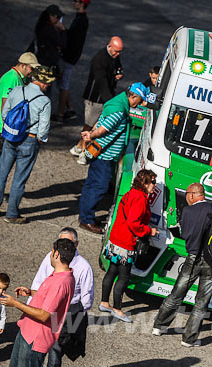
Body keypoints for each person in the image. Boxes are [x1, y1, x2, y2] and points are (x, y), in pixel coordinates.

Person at [152, 183, 212, 347]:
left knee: (176, 294)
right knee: (201, 302)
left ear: (192, 195)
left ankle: (159, 326)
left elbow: (184, 234)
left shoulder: (187, 211)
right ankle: (188, 339)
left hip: (193, 258)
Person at [78, 83, 148, 234]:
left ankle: (86, 216)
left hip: (103, 154)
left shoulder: (117, 101)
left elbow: (100, 121)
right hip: (104, 155)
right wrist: (91, 135)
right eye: (140, 100)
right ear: (133, 96)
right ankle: (86, 220)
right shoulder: (119, 111)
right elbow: (103, 129)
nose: (140, 104)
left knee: (92, 184)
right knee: (99, 186)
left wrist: (91, 131)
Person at [0, 66, 55, 223]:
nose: (48, 86)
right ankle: (12, 213)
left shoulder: (17, 90)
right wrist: (39, 138)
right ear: (41, 82)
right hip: (29, 140)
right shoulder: (44, 101)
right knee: (19, 179)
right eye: (47, 82)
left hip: (11, 137)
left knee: (1, 175)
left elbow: (4, 113)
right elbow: (44, 127)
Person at [0, 239, 75, 366]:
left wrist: (15, 303)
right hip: (28, 332)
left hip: (34, 339)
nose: (50, 256)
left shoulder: (60, 283)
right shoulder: (64, 276)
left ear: (56, 254)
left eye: (51, 252)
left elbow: (44, 315)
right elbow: (52, 300)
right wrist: (31, 293)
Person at [100, 169, 159, 322]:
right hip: (126, 244)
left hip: (115, 240)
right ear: (145, 182)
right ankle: (117, 309)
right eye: (153, 182)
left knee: (112, 271)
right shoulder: (141, 198)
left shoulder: (130, 193)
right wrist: (149, 231)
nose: (154, 185)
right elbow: (133, 223)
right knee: (124, 276)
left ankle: (104, 303)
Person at [31, 228, 93, 366]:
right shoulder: (51, 258)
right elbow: (38, 282)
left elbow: (87, 300)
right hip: (45, 310)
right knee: (36, 349)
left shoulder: (84, 267)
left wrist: (71, 318)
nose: (64, 246)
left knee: (55, 351)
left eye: (69, 243)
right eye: (61, 243)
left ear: (76, 244)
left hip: (66, 315)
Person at [70, 36, 124, 164]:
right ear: (109, 46)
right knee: (90, 124)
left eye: (120, 51)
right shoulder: (99, 60)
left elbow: (117, 66)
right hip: (96, 98)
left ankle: (79, 147)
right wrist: (111, 102)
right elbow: (101, 83)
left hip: (105, 97)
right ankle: (83, 150)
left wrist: (118, 73)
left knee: (92, 124)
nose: (118, 54)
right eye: (116, 51)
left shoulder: (113, 55)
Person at [0, 52, 40, 177]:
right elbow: (5, 104)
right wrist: (10, 128)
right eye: (31, 68)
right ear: (23, 65)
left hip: (5, 130)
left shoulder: (19, 78)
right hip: (1, 130)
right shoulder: (12, 78)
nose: (32, 72)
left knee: (0, 167)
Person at [56, 0, 90, 122]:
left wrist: (63, 29)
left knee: (64, 84)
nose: (73, 2)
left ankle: (60, 113)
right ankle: (70, 108)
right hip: (71, 55)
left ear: (82, 4)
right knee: (63, 83)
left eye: (76, 1)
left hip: (70, 56)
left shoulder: (82, 20)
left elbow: (74, 38)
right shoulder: (80, 18)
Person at [32, 5, 66, 69]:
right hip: (47, 62)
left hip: (41, 58)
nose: (58, 19)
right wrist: (63, 30)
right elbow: (62, 44)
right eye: (57, 17)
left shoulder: (41, 25)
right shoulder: (49, 29)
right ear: (51, 16)